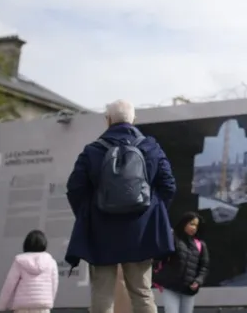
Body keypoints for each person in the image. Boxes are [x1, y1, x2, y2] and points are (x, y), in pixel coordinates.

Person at [66, 99, 177, 313]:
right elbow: (168, 185)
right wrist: (150, 213)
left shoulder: (92, 151)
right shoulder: (150, 147)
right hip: (140, 231)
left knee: (102, 293)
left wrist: (88, 214)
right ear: (134, 120)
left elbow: (75, 188)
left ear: (107, 120)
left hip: (101, 231)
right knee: (142, 292)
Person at [153, 212, 210, 313]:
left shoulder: (200, 245)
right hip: (170, 286)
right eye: (191, 224)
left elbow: (204, 267)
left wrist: (198, 281)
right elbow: (160, 257)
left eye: (196, 225)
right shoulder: (173, 239)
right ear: (184, 223)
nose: (194, 228)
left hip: (188, 289)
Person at [0, 229, 59, 313]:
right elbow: (54, 285)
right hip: (42, 308)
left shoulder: (19, 261)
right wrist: (48, 300)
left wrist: (1, 306)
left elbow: (9, 284)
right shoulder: (51, 262)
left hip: (22, 308)